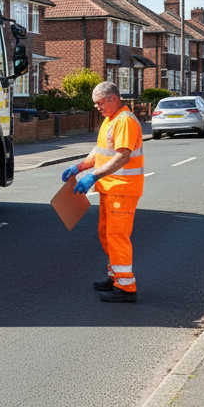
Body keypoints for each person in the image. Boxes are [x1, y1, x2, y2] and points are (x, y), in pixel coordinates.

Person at [61, 81, 145, 302]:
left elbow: (122, 156)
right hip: (111, 188)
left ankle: (126, 287)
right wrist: (79, 168)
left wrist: (93, 175)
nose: (97, 107)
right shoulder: (111, 120)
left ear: (112, 98)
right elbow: (100, 151)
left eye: (99, 103)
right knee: (107, 234)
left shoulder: (125, 121)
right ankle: (116, 276)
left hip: (122, 189)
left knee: (117, 236)